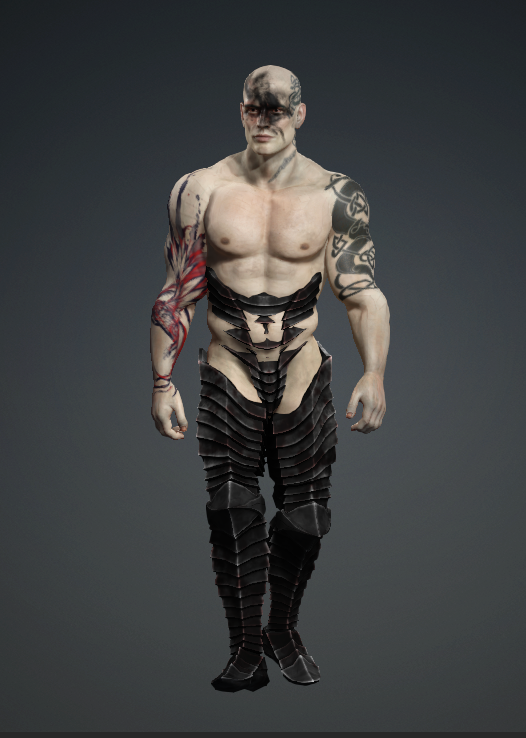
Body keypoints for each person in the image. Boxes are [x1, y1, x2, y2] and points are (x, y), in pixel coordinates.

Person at [150, 65, 390, 692]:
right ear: (240, 110)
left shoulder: (335, 193)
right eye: (254, 109)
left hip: (302, 365)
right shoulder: (199, 189)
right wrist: (162, 380)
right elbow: (178, 290)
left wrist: (374, 373)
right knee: (231, 509)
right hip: (228, 366)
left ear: (300, 114)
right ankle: (245, 651)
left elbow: (361, 291)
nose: (264, 120)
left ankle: (281, 628)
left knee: (306, 515)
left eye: (276, 110)